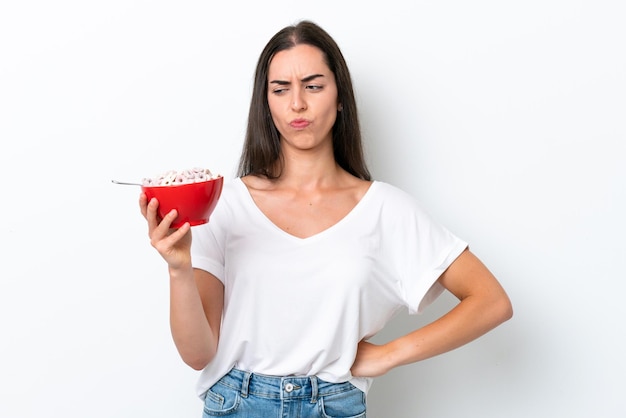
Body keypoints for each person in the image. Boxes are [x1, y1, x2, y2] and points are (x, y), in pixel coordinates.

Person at [139, 20, 512, 418]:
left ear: (339, 98)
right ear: (266, 103)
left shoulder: (384, 209)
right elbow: (198, 355)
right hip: (237, 404)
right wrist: (178, 268)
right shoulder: (226, 204)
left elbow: (491, 302)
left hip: (333, 405)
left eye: (313, 86)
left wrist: (390, 354)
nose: (297, 104)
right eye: (280, 89)